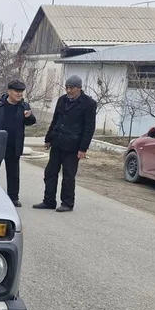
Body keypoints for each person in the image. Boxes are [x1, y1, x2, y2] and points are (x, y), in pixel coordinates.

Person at [33, 75, 97, 212]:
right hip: (57, 142)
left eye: (71, 88)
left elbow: (89, 128)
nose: (68, 91)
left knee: (68, 175)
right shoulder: (62, 100)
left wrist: (83, 148)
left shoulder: (89, 104)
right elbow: (55, 120)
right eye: (66, 87)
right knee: (50, 172)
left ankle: (67, 203)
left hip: (73, 145)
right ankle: (49, 201)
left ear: (79, 88)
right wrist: (48, 138)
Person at [0, 79, 36, 207]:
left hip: (13, 145)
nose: (19, 94)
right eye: (16, 91)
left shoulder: (24, 106)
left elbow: (31, 122)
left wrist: (29, 116)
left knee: (13, 174)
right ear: (9, 91)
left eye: (21, 92)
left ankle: (13, 197)